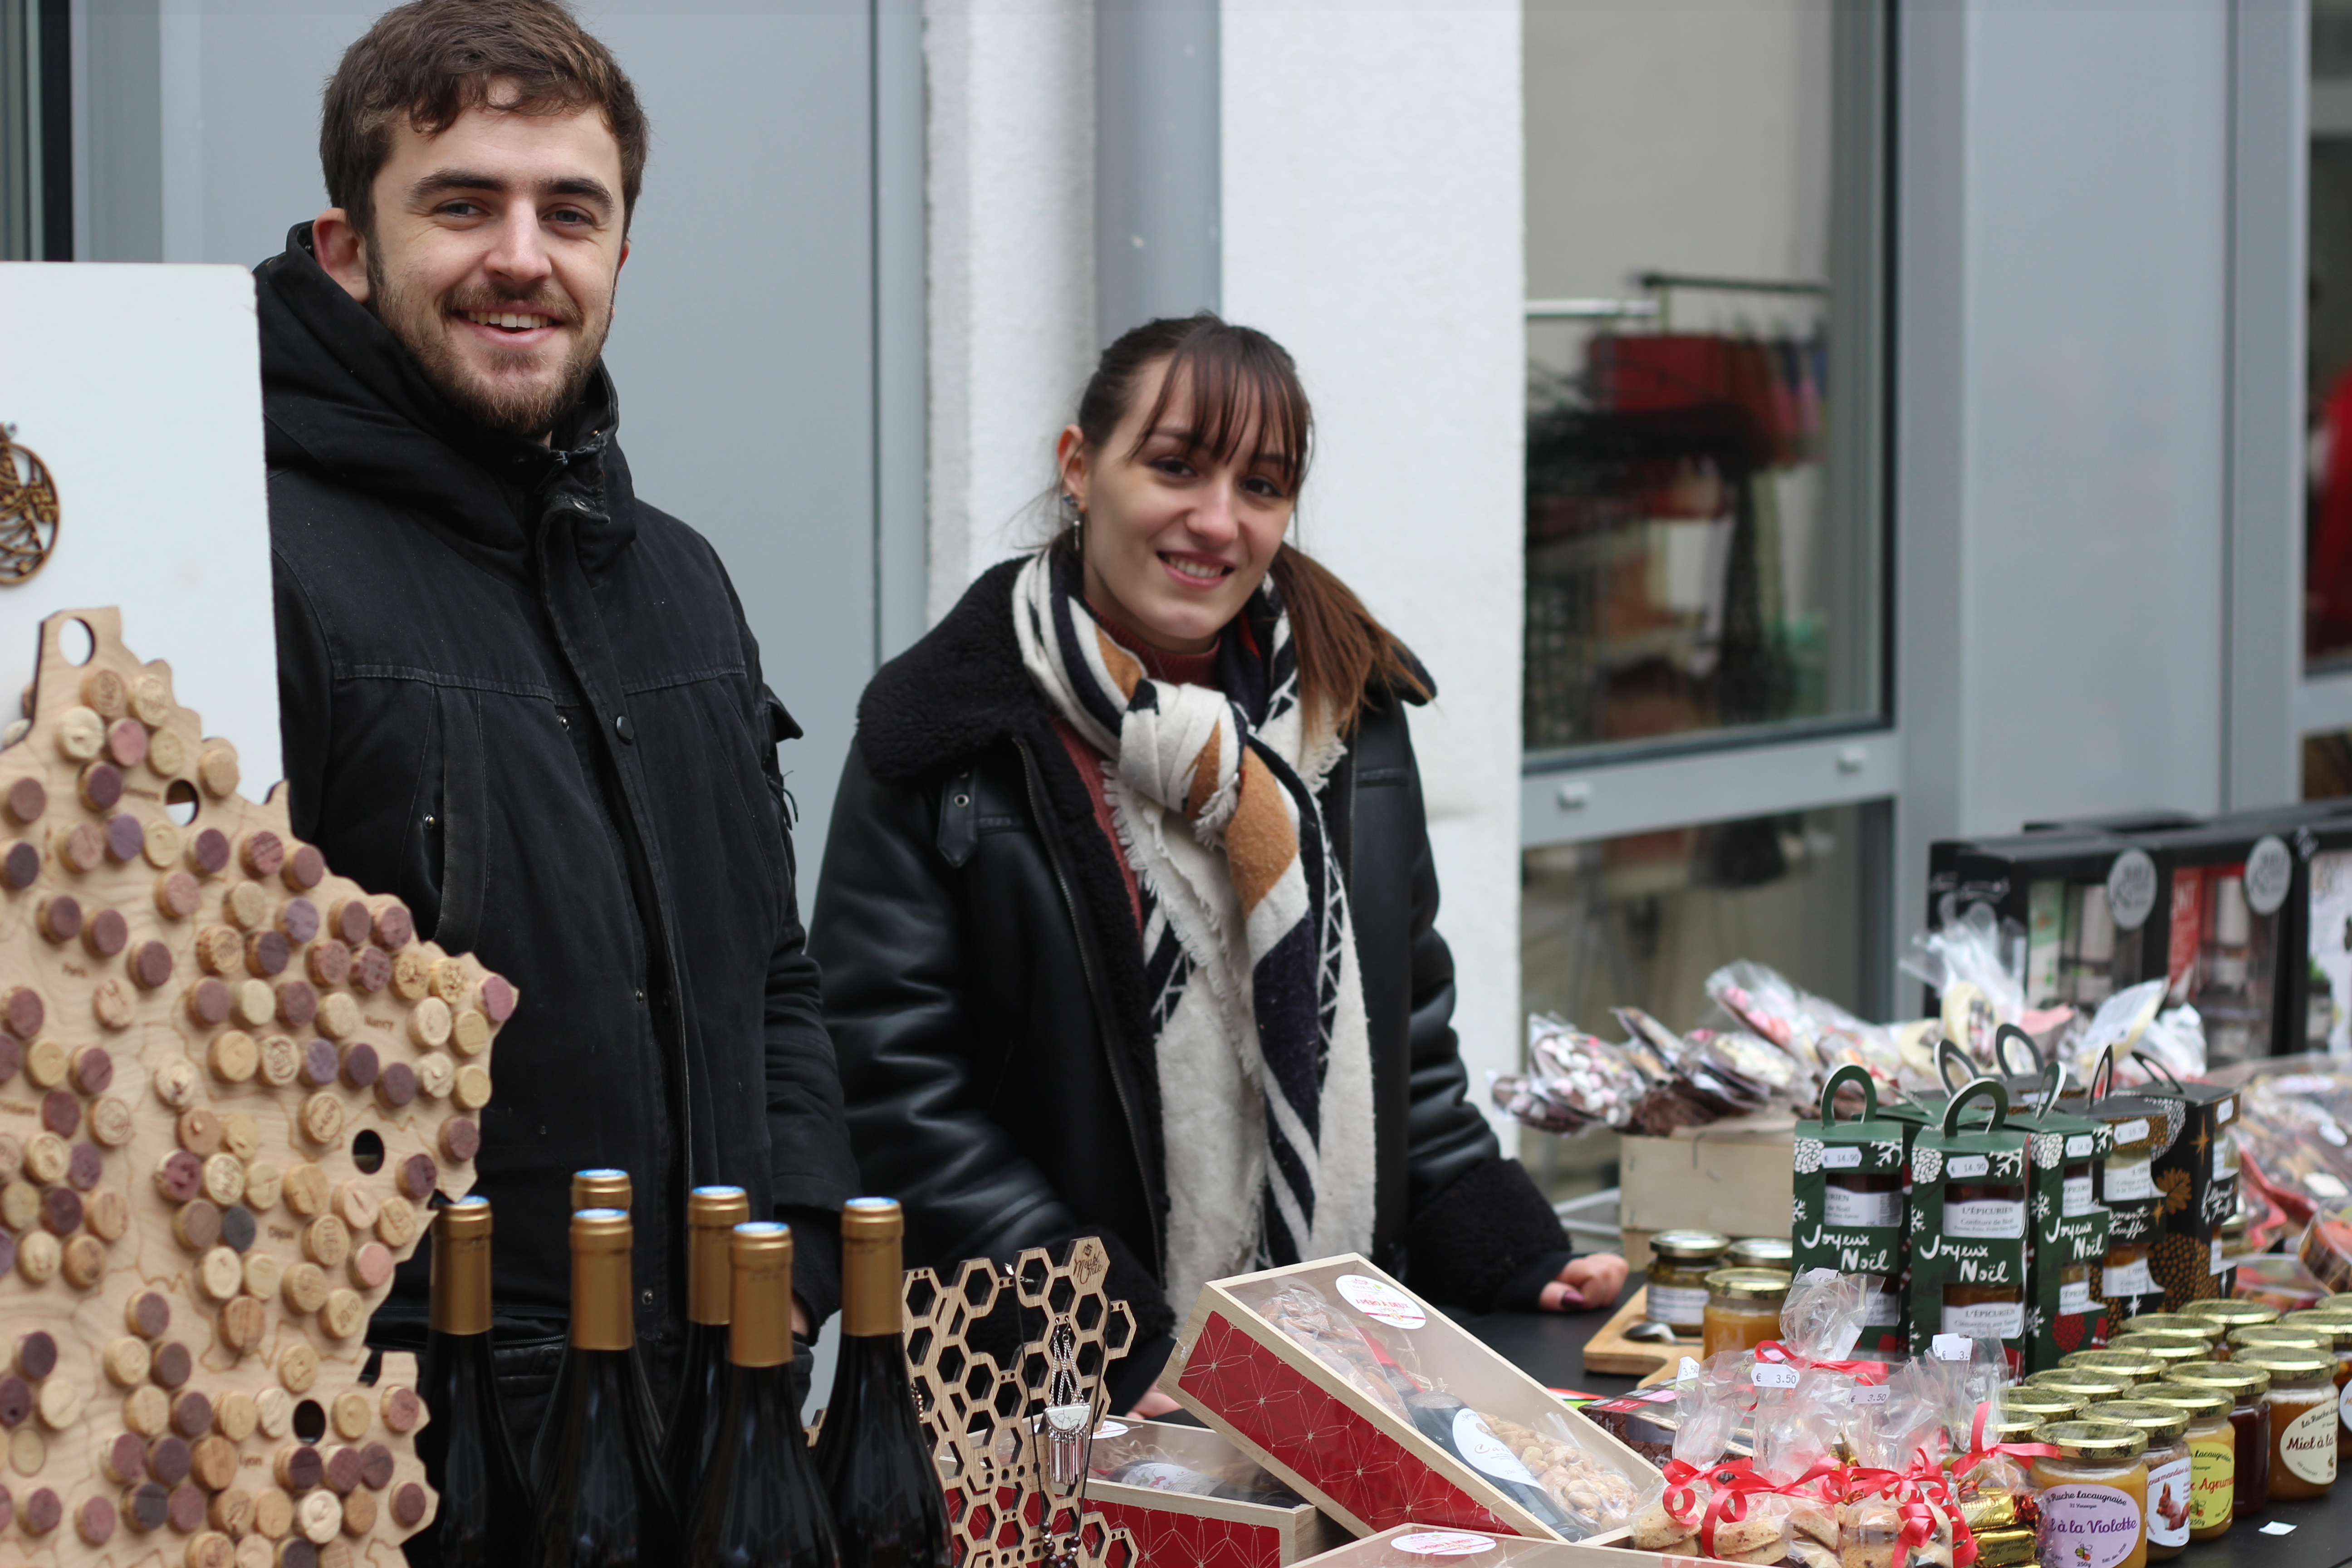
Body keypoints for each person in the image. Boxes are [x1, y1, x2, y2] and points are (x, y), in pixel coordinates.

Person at [812, 314, 1626, 1414]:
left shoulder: (1354, 714)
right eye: (1175, 467)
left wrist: (1504, 1248)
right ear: (1077, 469)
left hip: (1324, 1379)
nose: (1217, 520)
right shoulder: (947, 733)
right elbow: (892, 1084)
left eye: (1262, 485)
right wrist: (1093, 1328)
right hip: (1043, 1402)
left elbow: (1405, 1045)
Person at [257, 0, 858, 1418]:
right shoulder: (254, 565)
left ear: (620, 256)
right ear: (348, 251)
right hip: (419, 1455)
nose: (521, 258)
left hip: (716, 1424)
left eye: (568, 214)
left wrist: (809, 1247)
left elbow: (768, 967)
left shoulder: (680, 580)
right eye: (462, 203)